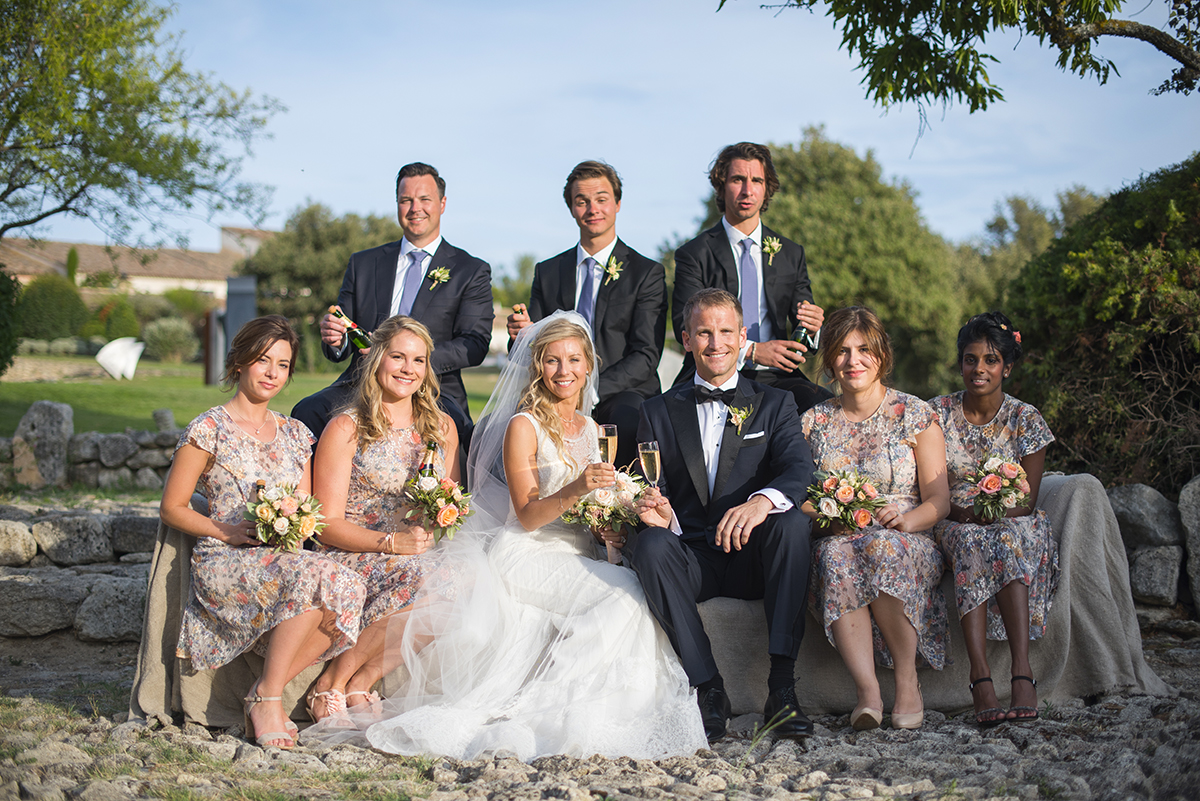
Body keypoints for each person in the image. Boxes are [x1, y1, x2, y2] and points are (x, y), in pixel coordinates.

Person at [354, 311, 707, 761]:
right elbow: (526, 516)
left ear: (588, 366)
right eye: (553, 361)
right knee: (626, 593)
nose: (565, 371)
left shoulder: (598, 432)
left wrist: (616, 522)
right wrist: (579, 486)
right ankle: (548, 710)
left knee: (632, 590)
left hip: (578, 553)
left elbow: (595, 518)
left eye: (574, 360)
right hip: (526, 553)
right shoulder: (524, 426)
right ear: (538, 366)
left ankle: (607, 710)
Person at [159, 315, 366, 749]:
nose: (273, 372)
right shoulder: (208, 429)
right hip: (226, 558)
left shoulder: (296, 433)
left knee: (346, 583)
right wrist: (228, 530)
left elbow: (308, 513)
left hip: (283, 554)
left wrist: (293, 527)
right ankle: (269, 701)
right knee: (316, 578)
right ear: (239, 363)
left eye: (284, 364)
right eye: (262, 360)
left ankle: (263, 692)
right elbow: (172, 507)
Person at [631, 288, 816, 742]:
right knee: (650, 545)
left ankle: (781, 686)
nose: (716, 343)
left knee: (792, 522)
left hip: (754, 557)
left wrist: (760, 502)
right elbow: (643, 484)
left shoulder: (774, 404)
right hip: (694, 558)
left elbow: (799, 467)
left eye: (726, 332)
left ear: (743, 336)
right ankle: (708, 688)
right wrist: (650, 508)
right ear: (687, 339)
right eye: (704, 333)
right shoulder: (656, 411)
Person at [799, 306, 950, 731]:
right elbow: (800, 497)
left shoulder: (915, 414)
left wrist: (907, 518)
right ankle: (868, 693)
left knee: (882, 546)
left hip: (906, 535)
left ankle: (906, 683)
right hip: (840, 536)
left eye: (864, 349)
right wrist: (830, 516)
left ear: (881, 355)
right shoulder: (813, 424)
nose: (853, 360)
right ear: (830, 359)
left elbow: (939, 499)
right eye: (843, 351)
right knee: (833, 555)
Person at [307, 316, 460, 722]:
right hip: (354, 549)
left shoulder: (441, 429)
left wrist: (442, 515)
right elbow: (325, 524)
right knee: (425, 576)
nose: (408, 368)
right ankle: (329, 685)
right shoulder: (346, 426)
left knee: (470, 581)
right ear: (376, 360)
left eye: (418, 360)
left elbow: (450, 503)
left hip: (412, 549)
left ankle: (363, 681)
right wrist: (392, 544)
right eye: (398, 357)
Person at [291, 162, 493, 443]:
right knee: (307, 413)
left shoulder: (470, 270)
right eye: (405, 200)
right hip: (361, 384)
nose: (415, 208)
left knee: (454, 437)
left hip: (433, 389)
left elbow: (475, 344)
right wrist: (336, 339)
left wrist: (410, 362)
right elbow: (345, 331)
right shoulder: (363, 264)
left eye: (424, 199)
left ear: (442, 203)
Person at [931, 312, 1058, 725]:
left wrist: (992, 514)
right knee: (970, 541)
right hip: (954, 518)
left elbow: (1028, 497)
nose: (979, 369)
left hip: (1013, 518)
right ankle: (980, 677)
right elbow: (927, 486)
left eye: (990, 360)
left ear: (1007, 365)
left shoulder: (1026, 419)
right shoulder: (936, 415)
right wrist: (961, 512)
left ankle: (1022, 671)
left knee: (1001, 538)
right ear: (960, 363)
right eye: (971, 359)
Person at [506, 160, 668, 467]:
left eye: (601, 199)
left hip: (619, 393)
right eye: (582, 201)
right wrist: (520, 334)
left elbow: (646, 356)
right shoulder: (548, 272)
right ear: (571, 208)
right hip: (554, 391)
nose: (593, 208)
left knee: (627, 421)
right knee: (496, 426)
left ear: (617, 204)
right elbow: (533, 346)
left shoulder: (647, 273)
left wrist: (588, 388)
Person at [671, 142, 832, 414]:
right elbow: (682, 325)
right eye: (738, 180)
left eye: (756, 180)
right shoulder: (694, 254)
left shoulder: (791, 253)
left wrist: (813, 329)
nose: (748, 190)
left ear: (767, 188)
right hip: (712, 371)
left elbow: (802, 330)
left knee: (826, 409)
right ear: (721, 186)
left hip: (779, 376)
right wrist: (752, 351)